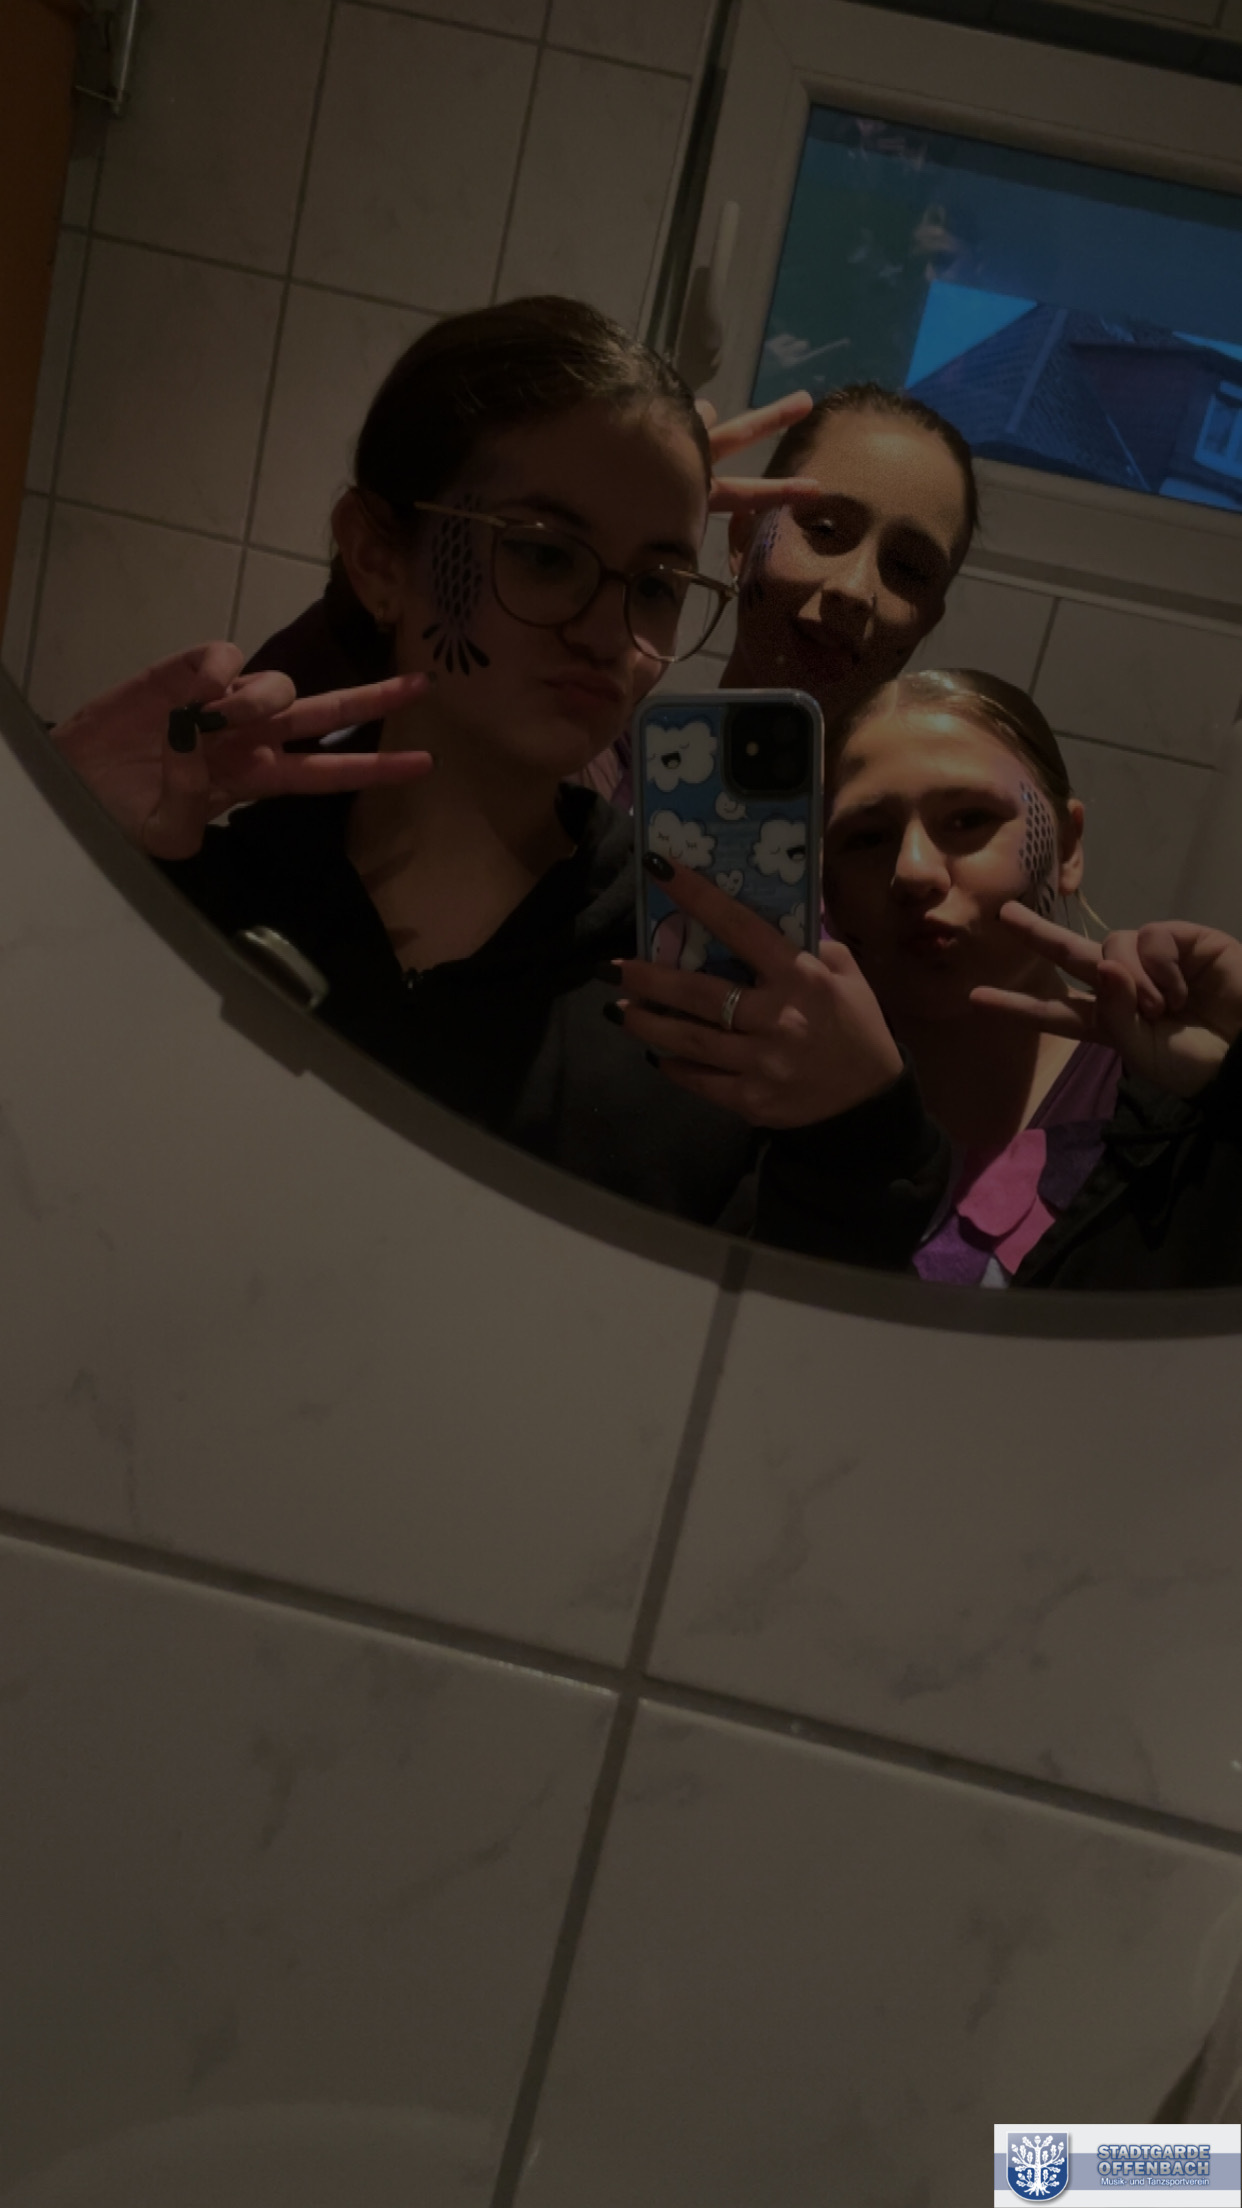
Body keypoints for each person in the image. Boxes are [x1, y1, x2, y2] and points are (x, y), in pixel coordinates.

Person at [50, 295, 916, 1241]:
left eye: (658, 584)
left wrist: (867, 1138)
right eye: (545, 555)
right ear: (376, 558)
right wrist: (33, 847)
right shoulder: (190, 904)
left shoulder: (693, 1013)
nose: (608, 633)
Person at [616, 668, 1242, 1288]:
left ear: (1068, 848)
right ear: (824, 882)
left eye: (969, 820)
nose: (914, 871)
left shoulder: (1179, 1100)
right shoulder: (752, 1103)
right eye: (867, 838)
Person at [244, 379, 979, 808]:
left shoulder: (900, 877)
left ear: (930, 618)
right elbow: (304, 739)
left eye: (909, 571)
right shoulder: (579, 755)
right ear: (740, 536)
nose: (856, 589)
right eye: (824, 529)